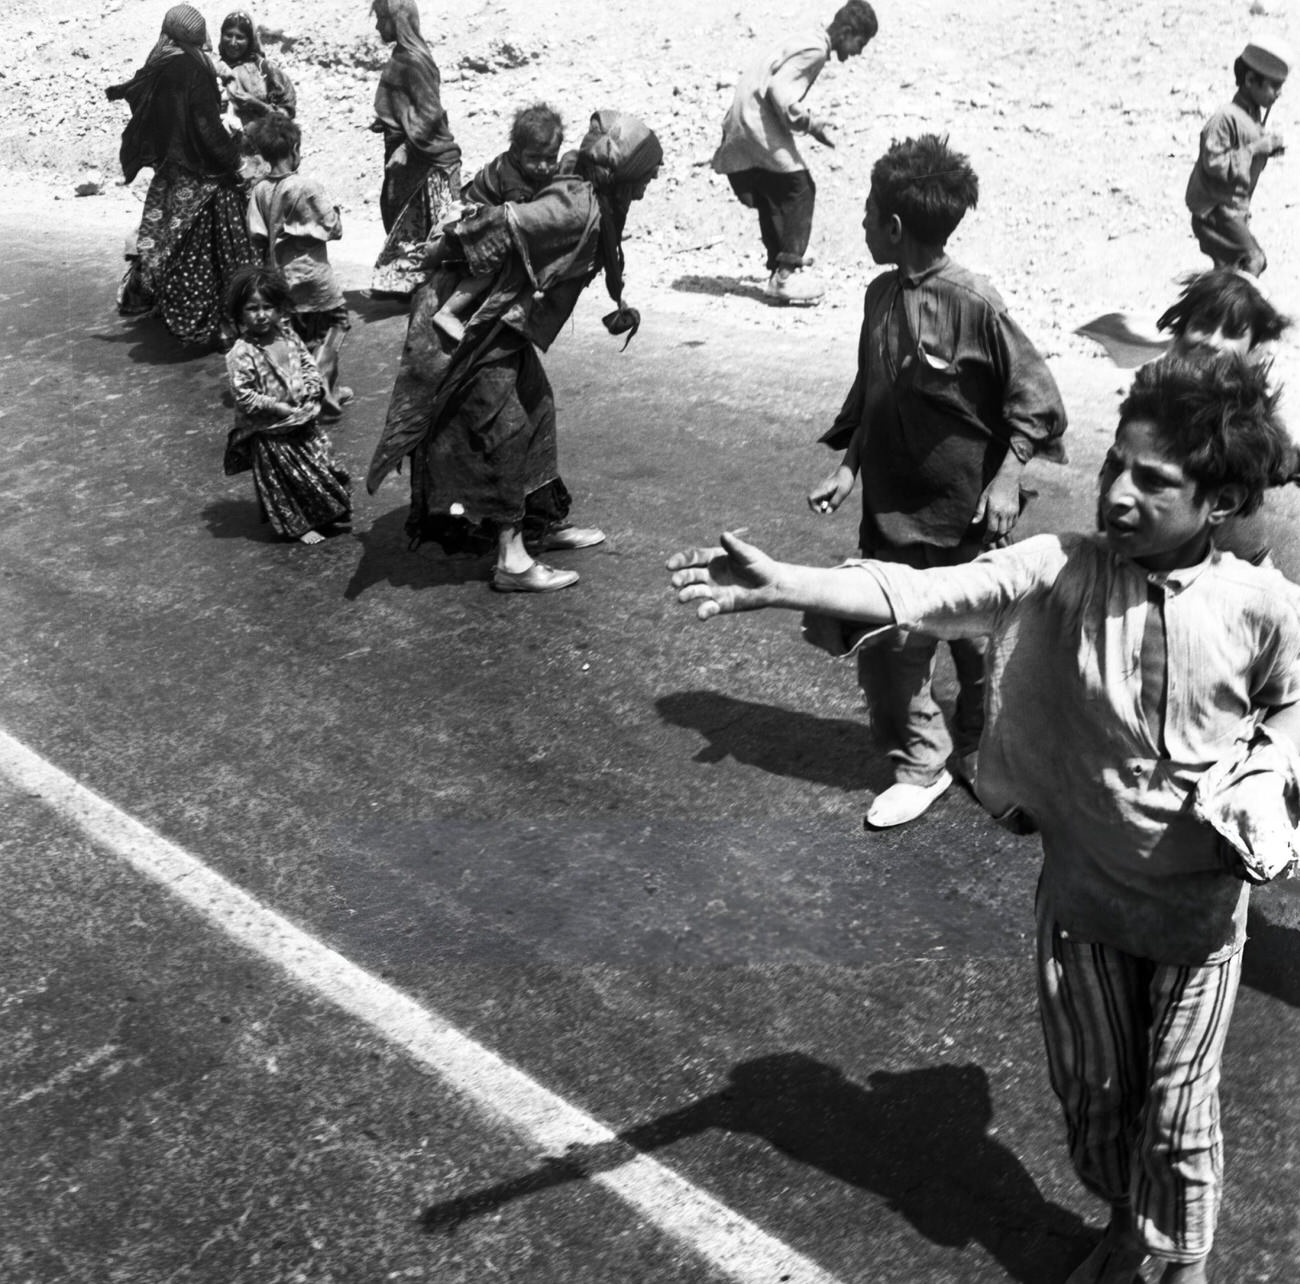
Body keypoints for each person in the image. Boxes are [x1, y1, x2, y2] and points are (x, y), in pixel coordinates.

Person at [668, 353, 1300, 1284]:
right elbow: (930, 592)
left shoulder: (1264, 608)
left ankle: (1182, 1265)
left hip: (1198, 925)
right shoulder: (1063, 570)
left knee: (1179, 1113)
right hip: (1084, 911)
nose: (1119, 493)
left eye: (1153, 482)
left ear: (1217, 502)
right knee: (1095, 1104)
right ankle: (1126, 1224)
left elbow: (1292, 704)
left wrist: (1274, 765)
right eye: (1111, 467)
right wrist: (792, 584)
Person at [808, 134, 1067, 828]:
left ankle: (982, 751)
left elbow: (1037, 403)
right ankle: (921, 762)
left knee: (981, 649)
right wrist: (847, 466)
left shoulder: (976, 302)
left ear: (894, 226)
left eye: (867, 214)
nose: (861, 225)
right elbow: (876, 393)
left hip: (967, 524)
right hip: (890, 522)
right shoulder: (876, 296)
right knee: (890, 652)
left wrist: (1008, 480)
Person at [366, 110, 663, 594]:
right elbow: (501, 223)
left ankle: (538, 525)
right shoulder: (574, 205)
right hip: (478, 322)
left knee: (538, 411)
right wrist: (439, 247)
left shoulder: (585, 182)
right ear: (626, 175)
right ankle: (511, 558)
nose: (651, 181)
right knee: (505, 429)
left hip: (509, 324)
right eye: (647, 172)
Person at [106, 3, 255, 345]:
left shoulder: (159, 63)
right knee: (211, 246)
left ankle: (163, 303)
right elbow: (206, 128)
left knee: (165, 238)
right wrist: (235, 162)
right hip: (202, 175)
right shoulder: (193, 69)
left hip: (170, 171)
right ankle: (207, 317)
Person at [711, 0, 877, 306]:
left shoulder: (806, 38)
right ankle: (786, 274)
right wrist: (811, 124)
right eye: (860, 43)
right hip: (755, 122)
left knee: (772, 191)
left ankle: (779, 268)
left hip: (742, 119)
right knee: (800, 188)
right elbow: (779, 90)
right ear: (848, 31)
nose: (858, 52)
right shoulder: (816, 50)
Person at [223, 265, 352, 544]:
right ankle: (299, 526)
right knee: (285, 483)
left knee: (318, 468)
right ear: (239, 313)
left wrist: (313, 384)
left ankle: (325, 511)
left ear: (280, 308)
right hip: (272, 430)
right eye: (252, 308)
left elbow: (306, 362)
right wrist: (277, 407)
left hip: (301, 420)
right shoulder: (241, 353)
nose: (261, 315)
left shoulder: (287, 335)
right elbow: (244, 395)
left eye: (267, 307)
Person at [246, 114, 353, 420]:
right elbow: (333, 228)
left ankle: (324, 391)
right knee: (337, 325)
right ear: (294, 148)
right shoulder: (307, 186)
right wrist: (336, 214)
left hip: (281, 278)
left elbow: (256, 235)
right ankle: (321, 393)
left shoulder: (260, 190)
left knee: (299, 337)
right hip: (314, 276)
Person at [369, 0, 463, 297]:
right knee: (399, 214)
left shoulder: (413, 59)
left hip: (423, 153)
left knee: (430, 222)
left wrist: (407, 149)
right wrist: (387, 120)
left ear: (398, 21)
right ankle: (410, 282)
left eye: (381, 20)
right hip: (406, 146)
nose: (377, 27)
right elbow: (408, 105)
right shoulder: (401, 55)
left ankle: (428, 284)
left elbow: (430, 111)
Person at [1185, 35, 1291, 276]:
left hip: (1234, 211)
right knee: (1253, 261)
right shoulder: (1224, 118)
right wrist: (1255, 149)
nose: (1278, 94)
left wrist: (1269, 148)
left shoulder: (1250, 117)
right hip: (1213, 211)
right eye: (1273, 86)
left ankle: (1216, 311)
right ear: (1251, 80)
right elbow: (1214, 163)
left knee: (1230, 272)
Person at [462, 103, 565, 207]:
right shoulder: (514, 186)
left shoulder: (523, 164)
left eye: (551, 158)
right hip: (477, 210)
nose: (543, 167)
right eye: (534, 158)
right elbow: (522, 217)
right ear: (517, 152)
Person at [216, 9, 295, 134]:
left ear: (250, 41)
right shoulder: (215, 69)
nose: (233, 42)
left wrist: (258, 105)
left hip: (262, 147)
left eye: (240, 37)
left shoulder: (266, 71)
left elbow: (287, 116)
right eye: (228, 35)